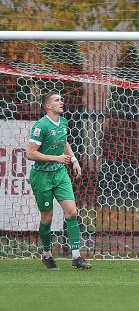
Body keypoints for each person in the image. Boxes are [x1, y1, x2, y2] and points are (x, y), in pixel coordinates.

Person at [26, 91, 92, 270]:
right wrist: (55, 158)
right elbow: (30, 153)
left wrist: (74, 160)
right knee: (47, 218)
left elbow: (64, 142)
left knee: (72, 212)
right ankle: (47, 254)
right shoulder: (41, 126)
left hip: (60, 174)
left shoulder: (63, 122)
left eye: (62, 99)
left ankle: (77, 257)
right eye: (57, 100)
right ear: (48, 106)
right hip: (42, 176)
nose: (61, 102)